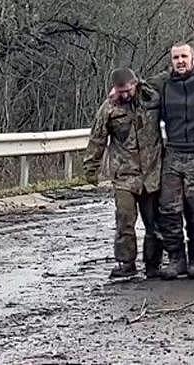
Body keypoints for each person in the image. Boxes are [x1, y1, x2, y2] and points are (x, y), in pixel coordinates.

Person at [148, 43, 194, 280]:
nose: (180, 61)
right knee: (168, 208)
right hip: (174, 151)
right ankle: (176, 258)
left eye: (184, 56)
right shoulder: (164, 82)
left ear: (193, 58)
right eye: (176, 57)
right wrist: (116, 94)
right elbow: (138, 89)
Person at [83, 68, 163, 279]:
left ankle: (153, 263)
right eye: (121, 91)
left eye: (128, 90)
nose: (125, 95)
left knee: (154, 222)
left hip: (152, 172)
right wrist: (91, 168)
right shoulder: (109, 108)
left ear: (135, 84)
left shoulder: (152, 99)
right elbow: (97, 139)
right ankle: (126, 262)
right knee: (125, 220)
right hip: (124, 174)